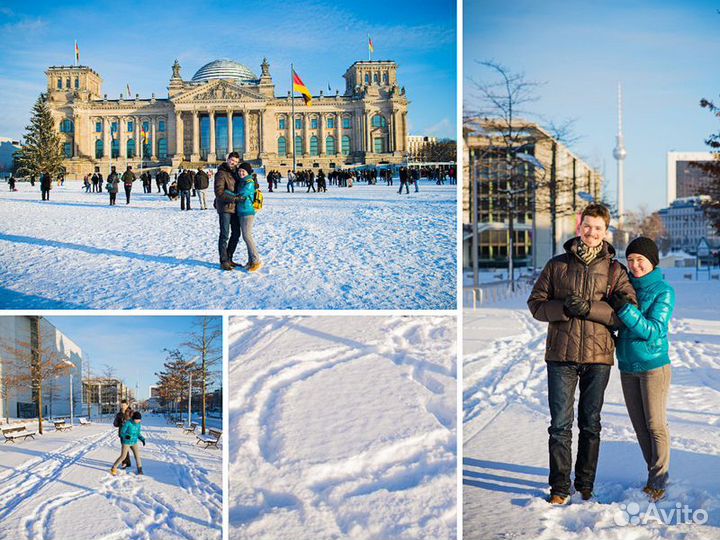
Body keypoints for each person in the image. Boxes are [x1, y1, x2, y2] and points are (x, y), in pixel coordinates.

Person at [527, 203, 637, 505]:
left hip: (597, 357)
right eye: (587, 226)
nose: (591, 232)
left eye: (598, 228)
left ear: (606, 231)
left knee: (590, 424)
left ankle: (585, 485)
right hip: (561, 356)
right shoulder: (557, 265)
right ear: (580, 226)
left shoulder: (616, 271)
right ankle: (560, 489)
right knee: (560, 425)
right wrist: (562, 308)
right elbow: (536, 303)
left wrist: (591, 309)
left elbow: (626, 313)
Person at [609, 237, 674, 502]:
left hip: (653, 367)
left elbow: (654, 330)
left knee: (655, 425)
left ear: (652, 262)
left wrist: (624, 310)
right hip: (627, 366)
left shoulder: (663, 291)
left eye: (640, 260)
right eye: (631, 260)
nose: (635, 265)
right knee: (639, 426)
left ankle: (659, 479)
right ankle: (653, 474)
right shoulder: (625, 288)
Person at [214, 152, 242, 270]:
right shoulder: (221, 173)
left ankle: (229, 257)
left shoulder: (236, 173)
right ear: (228, 159)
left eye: (235, 162)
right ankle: (223, 260)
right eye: (232, 161)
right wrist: (234, 198)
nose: (233, 163)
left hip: (235, 208)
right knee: (224, 234)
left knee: (236, 233)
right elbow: (219, 192)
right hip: (225, 207)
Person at [234, 163, 262, 272]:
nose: (241, 173)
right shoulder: (242, 181)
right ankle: (251, 261)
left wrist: (225, 193)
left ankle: (256, 260)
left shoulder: (249, 182)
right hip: (241, 211)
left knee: (247, 237)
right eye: (240, 171)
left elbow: (240, 194)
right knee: (246, 237)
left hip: (247, 212)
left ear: (248, 172)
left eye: (243, 171)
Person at [111, 411, 145, 476]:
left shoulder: (138, 425)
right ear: (133, 418)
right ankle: (114, 467)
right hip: (126, 442)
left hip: (134, 442)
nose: (138, 421)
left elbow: (138, 433)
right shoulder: (128, 423)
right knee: (123, 456)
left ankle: (140, 469)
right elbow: (122, 432)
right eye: (137, 419)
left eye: (139, 419)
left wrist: (142, 439)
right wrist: (126, 436)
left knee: (137, 456)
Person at [112, 400, 132, 469]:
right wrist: (118, 422)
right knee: (125, 449)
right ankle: (126, 463)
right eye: (121, 405)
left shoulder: (131, 413)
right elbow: (115, 424)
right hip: (122, 434)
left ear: (127, 405)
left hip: (130, 433)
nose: (122, 407)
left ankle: (126, 463)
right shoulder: (119, 414)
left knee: (126, 448)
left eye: (124, 405)